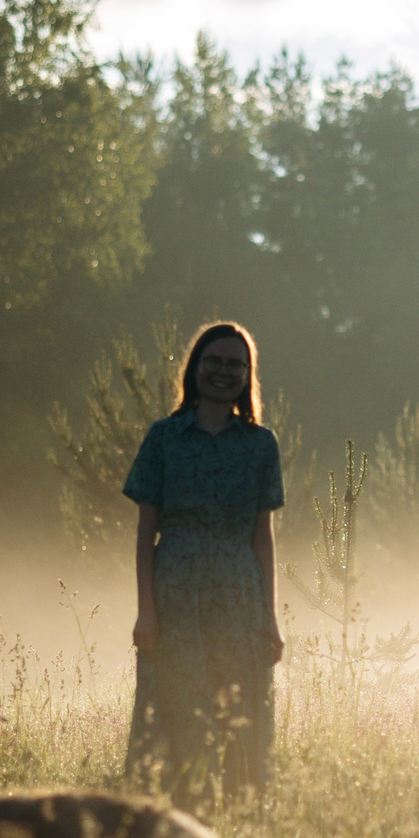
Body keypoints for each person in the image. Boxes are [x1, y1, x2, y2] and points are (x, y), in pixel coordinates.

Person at [122, 322, 286, 808]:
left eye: (235, 365)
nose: (223, 372)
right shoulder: (164, 437)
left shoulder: (260, 444)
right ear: (195, 367)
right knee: (172, 704)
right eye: (213, 361)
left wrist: (270, 618)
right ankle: (167, 813)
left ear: (248, 375)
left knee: (240, 705)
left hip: (239, 595)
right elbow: (145, 532)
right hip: (175, 593)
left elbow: (263, 536)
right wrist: (146, 611)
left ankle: (240, 814)